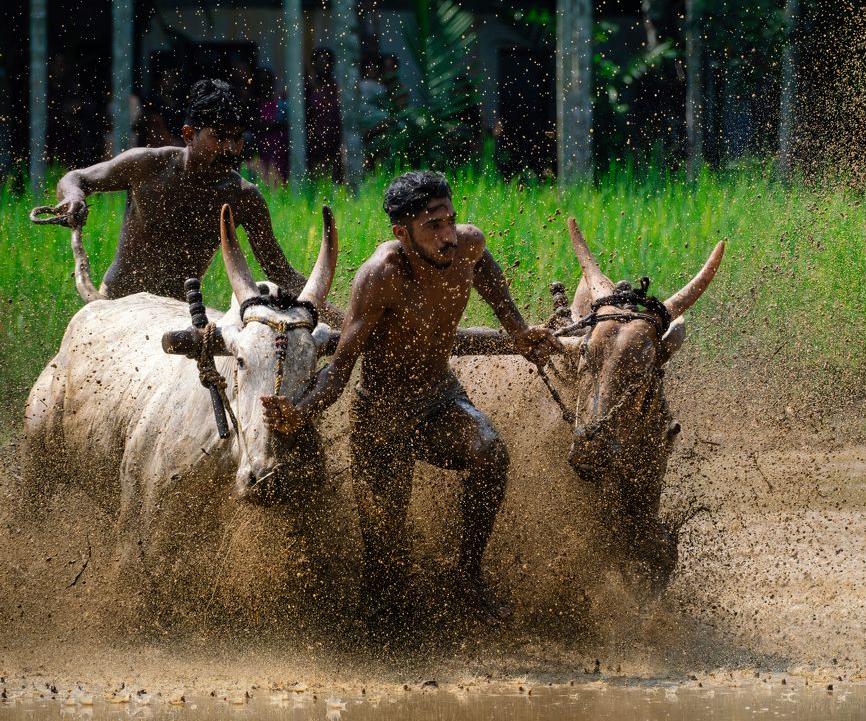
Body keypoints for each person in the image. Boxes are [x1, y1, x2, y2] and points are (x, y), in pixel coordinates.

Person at [261, 171, 561, 619]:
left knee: (491, 453)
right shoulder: (380, 276)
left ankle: (467, 575)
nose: (447, 238)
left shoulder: (470, 246)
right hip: (380, 413)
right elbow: (340, 370)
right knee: (385, 560)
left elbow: (491, 280)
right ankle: (379, 634)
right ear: (402, 233)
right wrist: (300, 413)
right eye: (433, 227)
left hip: (438, 397)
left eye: (450, 221)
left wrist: (518, 332)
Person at [54, 78, 311, 303]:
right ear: (189, 134)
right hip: (117, 304)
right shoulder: (147, 165)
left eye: (237, 138)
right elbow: (75, 178)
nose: (231, 149)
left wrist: (341, 322)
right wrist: (74, 197)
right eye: (219, 137)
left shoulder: (243, 197)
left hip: (177, 314)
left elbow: (280, 273)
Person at [306, 47, 344, 181]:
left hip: (335, 140)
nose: (324, 66)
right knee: (316, 180)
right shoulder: (307, 89)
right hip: (313, 141)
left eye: (327, 62)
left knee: (335, 181)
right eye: (320, 62)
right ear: (313, 64)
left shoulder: (338, 88)